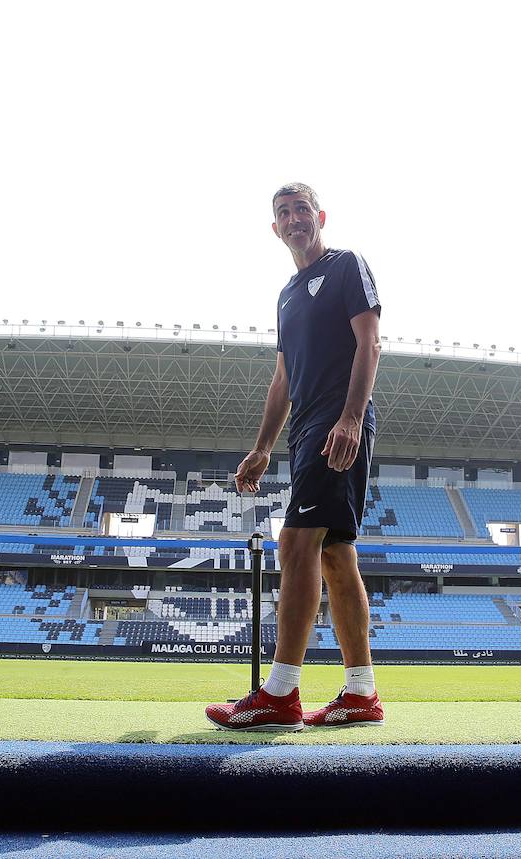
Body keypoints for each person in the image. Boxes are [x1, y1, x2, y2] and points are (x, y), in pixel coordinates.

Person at [206, 183, 385, 731]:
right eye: (283, 213)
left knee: (295, 540)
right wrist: (262, 447)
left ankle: (281, 692)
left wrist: (351, 418)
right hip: (306, 427)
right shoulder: (285, 294)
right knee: (335, 556)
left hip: (337, 420)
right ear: (275, 228)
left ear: (320, 216)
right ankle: (362, 694)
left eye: (301, 209)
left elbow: (369, 341)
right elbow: (282, 377)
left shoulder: (347, 266)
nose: (293, 219)